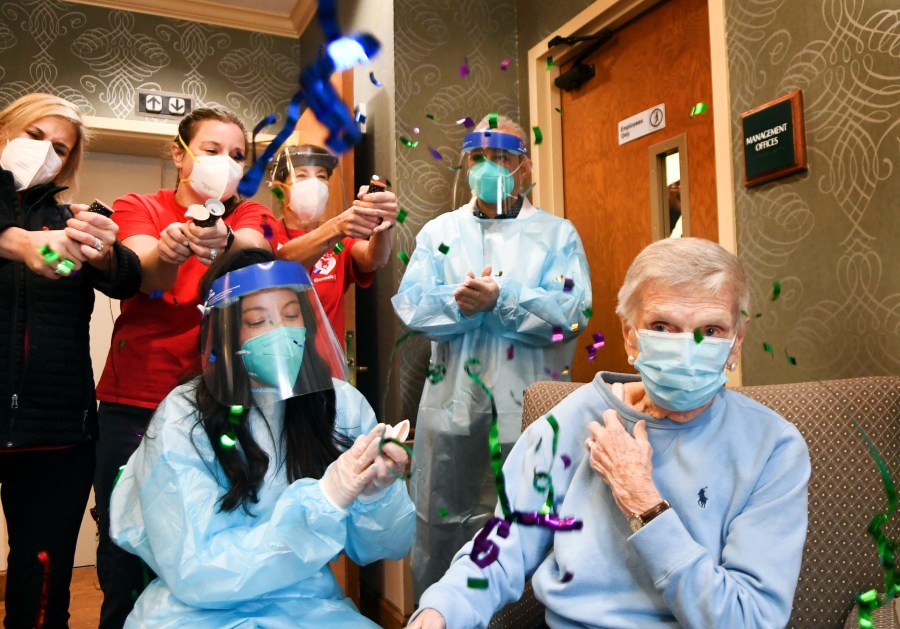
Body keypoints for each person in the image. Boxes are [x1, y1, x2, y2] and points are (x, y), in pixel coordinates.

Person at [409, 237, 811, 628]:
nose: (686, 348)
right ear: (629, 333)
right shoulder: (568, 422)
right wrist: (443, 608)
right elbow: (502, 549)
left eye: (711, 330)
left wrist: (645, 503)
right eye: (663, 327)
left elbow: (748, 618)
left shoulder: (774, 447)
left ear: (736, 344)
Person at [109, 248, 415, 628]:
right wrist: (322, 501)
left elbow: (387, 546)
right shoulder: (184, 417)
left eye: (291, 316)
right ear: (224, 333)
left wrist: (377, 494)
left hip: (308, 604)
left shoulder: (338, 405)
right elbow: (195, 569)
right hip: (198, 611)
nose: (281, 333)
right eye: (258, 321)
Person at [392, 114, 592, 599]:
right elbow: (412, 305)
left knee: (527, 526)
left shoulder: (557, 235)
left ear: (523, 167)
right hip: (451, 412)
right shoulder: (441, 232)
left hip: (529, 408)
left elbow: (572, 312)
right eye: (479, 158)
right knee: (444, 527)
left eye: (501, 157)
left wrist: (503, 295)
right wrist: (460, 305)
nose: (489, 167)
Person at [93, 107, 276, 627]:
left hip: (218, 402)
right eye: (212, 150)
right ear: (179, 153)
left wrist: (223, 244)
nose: (225, 163)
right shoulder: (140, 206)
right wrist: (172, 248)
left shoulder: (247, 213)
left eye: (237, 155)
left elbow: (256, 249)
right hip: (136, 399)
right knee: (124, 543)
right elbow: (140, 266)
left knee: (209, 535)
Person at [0, 93, 141, 628]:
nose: (44, 154)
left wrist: (104, 248)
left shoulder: (70, 222)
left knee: (42, 581)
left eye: (59, 148)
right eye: (34, 136)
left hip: (56, 430)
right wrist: (20, 243)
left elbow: (125, 277)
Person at [270, 144, 399, 344]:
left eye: (321, 176)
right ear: (280, 189)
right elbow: (285, 261)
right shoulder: (266, 235)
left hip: (328, 371)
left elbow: (375, 258)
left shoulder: (341, 242)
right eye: (302, 175)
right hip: (279, 365)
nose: (314, 184)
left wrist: (383, 222)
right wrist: (338, 226)